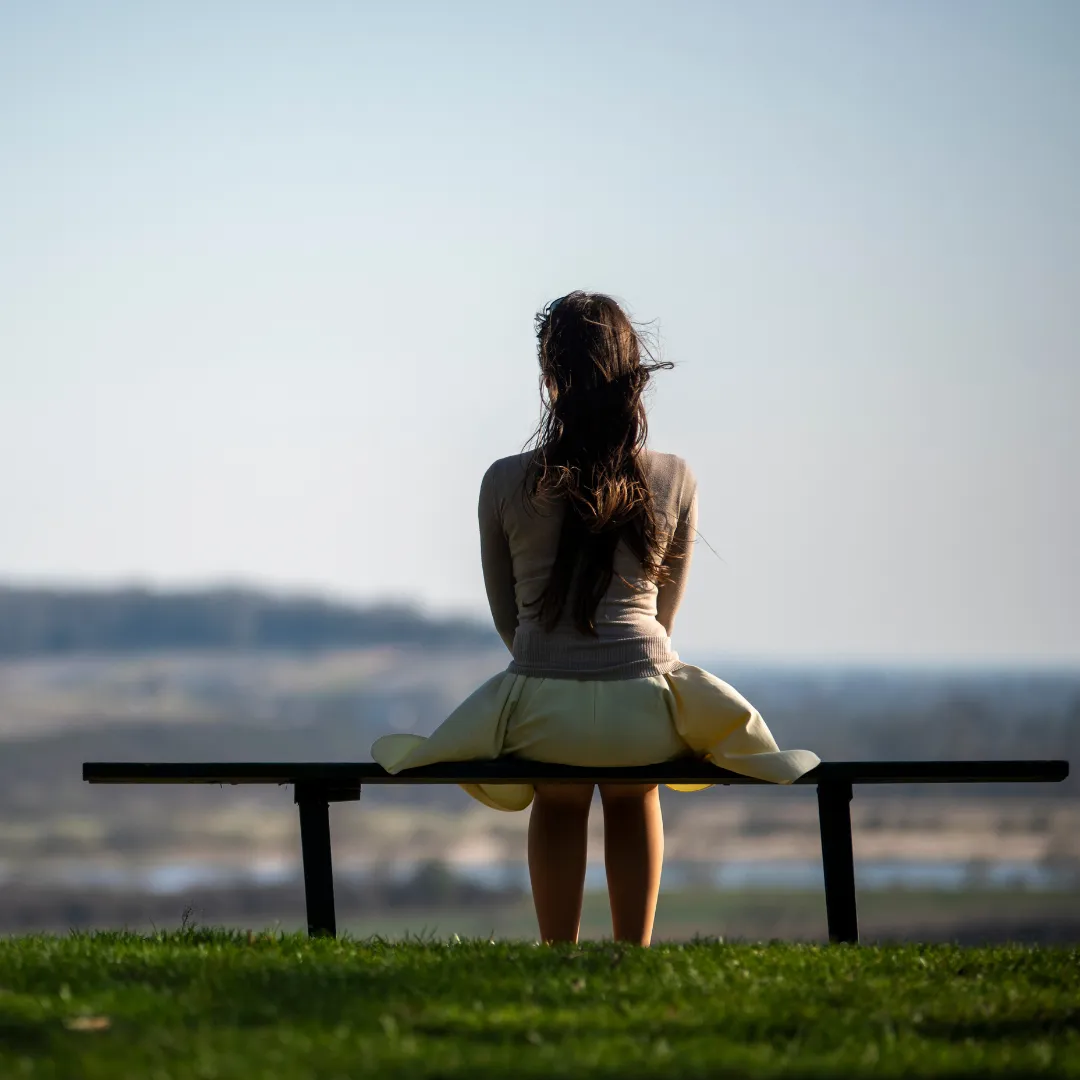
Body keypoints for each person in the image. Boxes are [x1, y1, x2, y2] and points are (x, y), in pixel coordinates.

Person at [372, 291, 819, 946]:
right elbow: (664, 622)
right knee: (635, 794)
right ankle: (631, 956)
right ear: (631, 372)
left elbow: (510, 619)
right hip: (642, 706)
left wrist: (557, 663)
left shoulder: (503, 481)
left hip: (541, 708)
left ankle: (558, 952)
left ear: (549, 377)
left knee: (557, 799)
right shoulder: (676, 477)